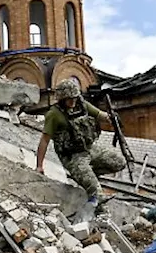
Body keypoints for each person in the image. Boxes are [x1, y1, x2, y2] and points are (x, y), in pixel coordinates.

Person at [35, 79, 125, 211]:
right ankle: (96, 207)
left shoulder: (81, 105)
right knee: (96, 191)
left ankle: (87, 174)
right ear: (62, 99)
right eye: (69, 99)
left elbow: (100, 115)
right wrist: (39, 166)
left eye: (75, 98)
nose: (73, 102)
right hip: (72, 157)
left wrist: (110, 117)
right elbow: (44, 140)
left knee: (119, 161)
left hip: (89, 149)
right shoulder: (54, 115)